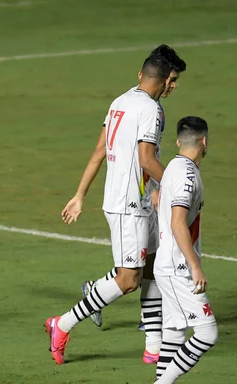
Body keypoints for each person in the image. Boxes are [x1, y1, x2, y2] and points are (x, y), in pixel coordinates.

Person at [59, 45, 186, 363]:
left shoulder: (120, 101)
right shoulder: (151, 111)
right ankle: (63, 323)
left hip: (139, 200)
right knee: (128, 279)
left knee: (154, 267)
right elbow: (146, 159)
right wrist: (177, 185)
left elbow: (100, 150)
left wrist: (80, 195)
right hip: (128, 204)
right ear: (164, 80)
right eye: (173, 80)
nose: (174, 86)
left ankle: (155, 347)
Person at [142, 116, 215, 384]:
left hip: (168, 265)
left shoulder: (173, 167)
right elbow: (177, 222)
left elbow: (162, 199)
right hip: (178, 268)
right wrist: (195, 267)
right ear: (205, 142)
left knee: (173, 332)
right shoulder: (187, 175)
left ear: (177, 142)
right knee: (207, 334)